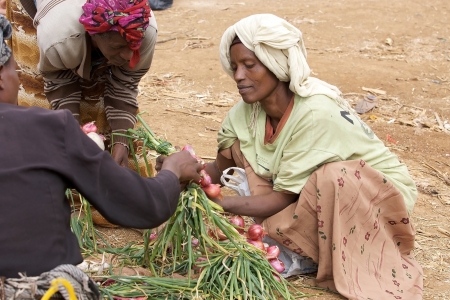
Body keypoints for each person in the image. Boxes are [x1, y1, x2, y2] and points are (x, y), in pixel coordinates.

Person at [202, 14, 422, 299]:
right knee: (240, 146)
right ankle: (303, 244)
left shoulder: (316, 111)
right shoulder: (244, 113)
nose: (239, 76)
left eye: (249, 65)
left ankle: (323, 249)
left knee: (333, 177)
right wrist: (184, 177)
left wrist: (222, 205)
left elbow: (281, 198)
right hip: (307, 194)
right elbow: (219, 167)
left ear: (276, 64)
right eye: (234, 67)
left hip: (373, 201)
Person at [0, 15, 202, 280]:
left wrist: (118, 139)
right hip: (41, 290)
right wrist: (173, 172)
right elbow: (144, 206)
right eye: (15, 70)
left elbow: (125, 88)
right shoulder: (45, 126)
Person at [6, 0, 158, 168]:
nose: (129, 56)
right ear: (94, 36)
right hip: (54, 20)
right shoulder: (58, 38)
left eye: (133, 45)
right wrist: (71, 133)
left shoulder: (142, 28)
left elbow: (125, 85)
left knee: (100, 100)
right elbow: (59, 81)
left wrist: (121, 140)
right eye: (118, 46)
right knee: (41, 103)